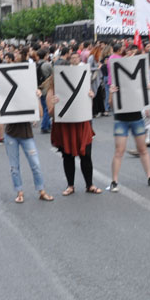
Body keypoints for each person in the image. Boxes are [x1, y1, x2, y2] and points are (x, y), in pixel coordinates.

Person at [47, 54, 101, 196]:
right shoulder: (53, 89)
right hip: (65, 126)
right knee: (68, 156)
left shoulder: (80, 81)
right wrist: (55, 104)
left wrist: (90, 97)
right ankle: (70, 185)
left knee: (86, 155)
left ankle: (89, 184)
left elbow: (88, 106)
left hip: (81, 124)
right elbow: (50, 113)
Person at [108, 59, 150, 191]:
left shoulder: (139, 82)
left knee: (142, 149)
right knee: (119, 151)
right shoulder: (116, 84)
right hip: (121, 119)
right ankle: (114, 181)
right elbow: (112, 105)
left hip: (136, 118)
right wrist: (111, 93)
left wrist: (148, 90)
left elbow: (145, 100)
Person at [0, 85, 54, 203]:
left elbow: (40, 114)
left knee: (35, 164)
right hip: (11, 134)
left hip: (26, 134)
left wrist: (37, 98)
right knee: (14, 167)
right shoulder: (7, 91)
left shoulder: (27, 92)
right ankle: (19, 192)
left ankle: (41, 191)